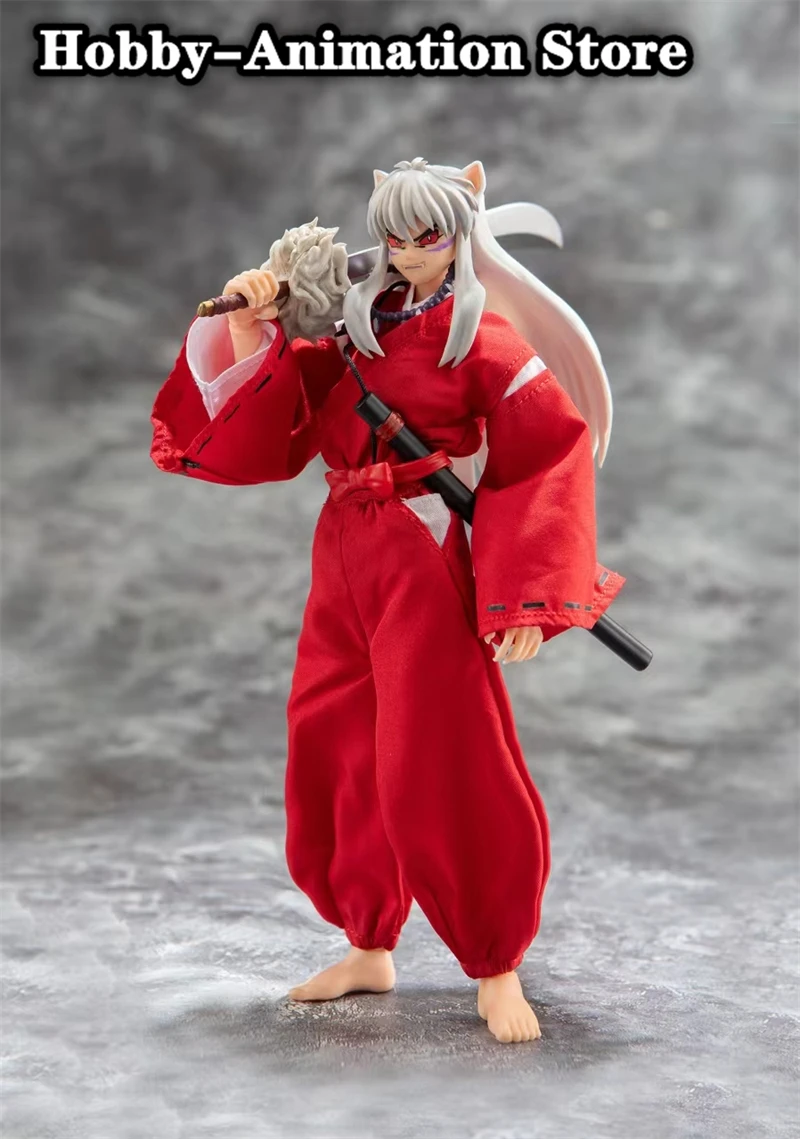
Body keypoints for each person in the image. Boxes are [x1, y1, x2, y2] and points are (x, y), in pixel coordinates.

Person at [150, 158, 625, 1044]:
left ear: (461, 233)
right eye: (394, 235)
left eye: (427, 236)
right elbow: (284, 414)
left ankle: (495, 959)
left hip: (419, 544)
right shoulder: (355, 330)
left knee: (442, 747)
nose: (406, 253)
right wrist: (251, 324)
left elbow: (545, 454)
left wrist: (524, 596)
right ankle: (367, 937)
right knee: (333, 733)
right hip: (344, 545)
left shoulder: (483, 341)